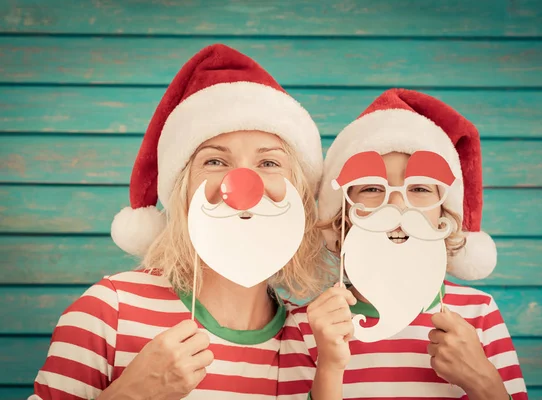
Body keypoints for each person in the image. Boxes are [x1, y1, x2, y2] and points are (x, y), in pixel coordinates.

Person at [29, 43, 331, 400]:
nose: (244, 185)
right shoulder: (108, 311)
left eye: (269, 164)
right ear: (181, 190)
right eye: (215, 162)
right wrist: (130, 394)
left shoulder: (318, 344)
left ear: (299, 193)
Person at [278, 89, 528, 400]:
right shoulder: (309, 325)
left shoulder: (479, 314)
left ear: (443, 217)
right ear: (341, 220)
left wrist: (483, 380)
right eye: (371, 188)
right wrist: (329, 367)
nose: (396, 203)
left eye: (419, 188)